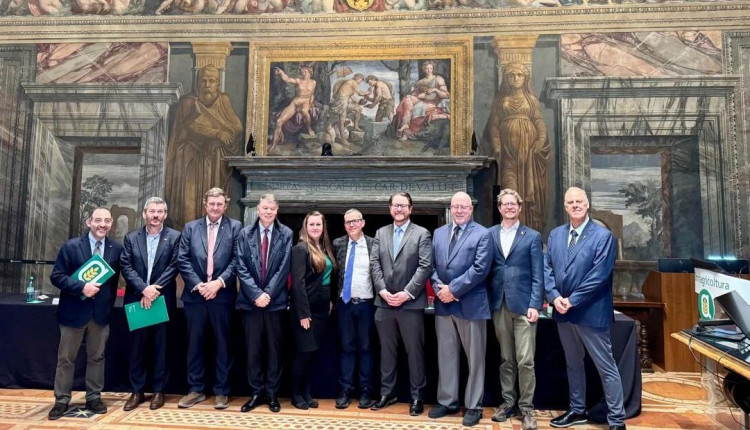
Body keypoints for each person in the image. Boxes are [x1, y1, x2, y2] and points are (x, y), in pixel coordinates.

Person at [545, 187, 625, 430]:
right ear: (565, 207)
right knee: (573, 363)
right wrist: (554, 296)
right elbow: (547, 268)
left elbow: (599, 275)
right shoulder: (556, 235)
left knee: (605, 366)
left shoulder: (603, 236)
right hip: (562, 311)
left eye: (579, 201)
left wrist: (572, 300)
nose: (575, 205)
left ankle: (617, 419)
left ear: (587, 204)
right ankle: (577, 410)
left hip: (591, 312)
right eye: (570, 202)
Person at [48, 207, 122, 420]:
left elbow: (117, 280)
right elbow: (57, 276)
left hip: (100, 315)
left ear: (111, 223)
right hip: (73, 313)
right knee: (66, 359)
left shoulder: (116, 249)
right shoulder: (71, 246)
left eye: (106, 221)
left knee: (97, 357)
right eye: (98, 220)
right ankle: (62, 400)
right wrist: (82, 287)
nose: (102, 225)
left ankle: (94, 397)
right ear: (89, 222)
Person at [428, 192, 491, 427]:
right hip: (444, 304)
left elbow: (480, 269)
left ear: (471, 209)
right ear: (450, 208)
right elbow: (431, 266)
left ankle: (474, 405)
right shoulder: (439, 233)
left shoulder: (483, 234)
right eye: (456, 207)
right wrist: (440, 289)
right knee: (446, 355)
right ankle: (448, 401)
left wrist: (452, 289)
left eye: (464, 207)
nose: (459, 211)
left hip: (471, 304)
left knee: (475, 359)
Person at [177, 187, 242, 410]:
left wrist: (218, 283)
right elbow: (183, 259)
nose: (215, 208)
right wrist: (199, 285)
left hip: (222, 296)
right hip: (195, 296)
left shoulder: (235, 227)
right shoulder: (191, 227)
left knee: (223, 345)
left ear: (225, 206)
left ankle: (221, 391)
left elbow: (237, 259)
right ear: (205, 205)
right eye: (212, 204)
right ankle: (196, 389)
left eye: (219, 204)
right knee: (195, 344)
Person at [370, 192, 432, 416]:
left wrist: (407, 293)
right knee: (386, 352)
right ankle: (387, 393)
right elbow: (374, 263)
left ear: (410, 209)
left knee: (414, 353)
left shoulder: (422, 234)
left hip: (410, 305)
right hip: (384, 303)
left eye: (403, 205)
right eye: (396, 205)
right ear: (390, 208)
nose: (399, 209)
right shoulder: (380, 233)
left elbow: (425, 267)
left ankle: (417, 396)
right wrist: (383, 291)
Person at [487, 189, 544, 430]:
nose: (509, 207)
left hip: (524, 306)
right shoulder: (489, 234)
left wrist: (535, 304)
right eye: (505, 204)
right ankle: (508, 402)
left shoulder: (532, 236)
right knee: (506, 359)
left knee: (525, 360)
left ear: (519, 208)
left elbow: (538, 274)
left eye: (513, 204)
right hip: (498, 304)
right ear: (499, 208)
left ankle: (527, 408)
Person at [120, 197, 181, 411]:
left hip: (161, 300)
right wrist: (143, 289)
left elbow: (174, 265)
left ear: (165, 214)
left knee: (161, 347)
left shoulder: (175, 237)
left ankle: (158, 390)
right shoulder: (131, 237)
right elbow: (126, 266)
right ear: (144, 213)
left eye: (160, 211)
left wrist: (153, 290)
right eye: (152, 211)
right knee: (137, 347)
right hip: (137, 299)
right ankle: (137, 391)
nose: (156, 215)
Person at [164, 65, 243, 229]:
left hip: (213, 161)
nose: (207, 85)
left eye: (211, 81)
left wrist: (221, 138)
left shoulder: (223, 100)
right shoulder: (188, 102)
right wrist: (217, 133)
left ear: (217, 84)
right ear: (198, 83)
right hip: (189, 159)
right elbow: (190, 126)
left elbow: (237, 127)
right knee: (188, 205)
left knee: (213, 203)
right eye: (203, 81)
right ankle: (186, 235)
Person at [235, 193, 293, 413]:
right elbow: (241, 266)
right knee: (253, 350)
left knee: (274, 350)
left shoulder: (286, 233)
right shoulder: (244, 234)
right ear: (258, 210)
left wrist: (267, 294)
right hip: (250, 303)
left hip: (275, 303)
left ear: (277, 211)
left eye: (272, 209)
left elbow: (284, 267)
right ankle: (256, 391)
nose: (268, 212)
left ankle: (272, 393)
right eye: (265, 208)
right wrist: (256, 294)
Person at [481, 62, 550, 232]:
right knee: (508, 189)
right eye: (512, 75)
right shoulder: (500, 101)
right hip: (507, 154)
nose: (516, 78)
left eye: (520, 75)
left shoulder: (531, 100)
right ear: (506, 79)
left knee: (528, 190)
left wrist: (540, 140)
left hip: (528, 153)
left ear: (525, 78)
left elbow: (539, 122)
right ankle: (509, 230)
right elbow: (493, 126)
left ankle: (527, 229)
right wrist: (497, 146)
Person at [289, 211, 337, 409]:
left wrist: (330, 301)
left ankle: (307, 393)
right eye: (312, 224)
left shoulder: (324, 248)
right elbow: (298, 284)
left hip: (321, 310)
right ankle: (296, 394)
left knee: (313, 353)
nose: (315, 227)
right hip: (306, 310)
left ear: (323, 227)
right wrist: (303, 314)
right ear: (305, 227)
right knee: (304, 353)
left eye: (318, 224)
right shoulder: (300, 249)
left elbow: (327, 279)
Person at [332, 209, 375, 409]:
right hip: (344, 304)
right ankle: (346, 390)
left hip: (367, 304)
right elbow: (334, 274)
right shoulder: (338, 244)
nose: (351, 225)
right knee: (346, 348)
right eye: (348, 222)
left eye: (355, 221)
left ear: (362, 223)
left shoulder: (374, 244)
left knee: (366, 348)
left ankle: (366, 390)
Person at [393, 61, 450, 141]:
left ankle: (407, 133)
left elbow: (446, 95)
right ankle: (405, 124)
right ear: (424, 69)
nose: (429, 70)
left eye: (430, 68)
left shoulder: (438, 79)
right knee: (407, 99)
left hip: (432, 102)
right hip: (421, 100)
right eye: (427, 68)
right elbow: (413, 94)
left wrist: (435, 90)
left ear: (433, 69)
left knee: (418, 107)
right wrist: (419, 95)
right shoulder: (420, 82)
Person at [270, 66, 317, 152]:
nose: (303, 73)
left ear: (310, 72)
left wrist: (311, 102)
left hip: (305, 103)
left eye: (305, 71)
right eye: (302, 72)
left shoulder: (313, 82)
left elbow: (312, 93)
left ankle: (309, 128)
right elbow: (287, 79)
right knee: (279, 121)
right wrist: (281, 72)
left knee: (304, 111)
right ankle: (273, 145)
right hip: (296, 103)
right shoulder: (298, 81)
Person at [331, 73, 368, 146]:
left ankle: (356, 126)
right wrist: (368, 92)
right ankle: (343, 140)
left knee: (359, 109)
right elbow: (360, 93)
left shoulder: (351, 86)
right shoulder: (352, 82)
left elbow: (354, 98)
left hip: (346, 101)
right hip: (341, 102)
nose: (360, 83)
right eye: (360, 81)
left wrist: (361, 101)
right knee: (342, 119)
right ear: (358, 78)